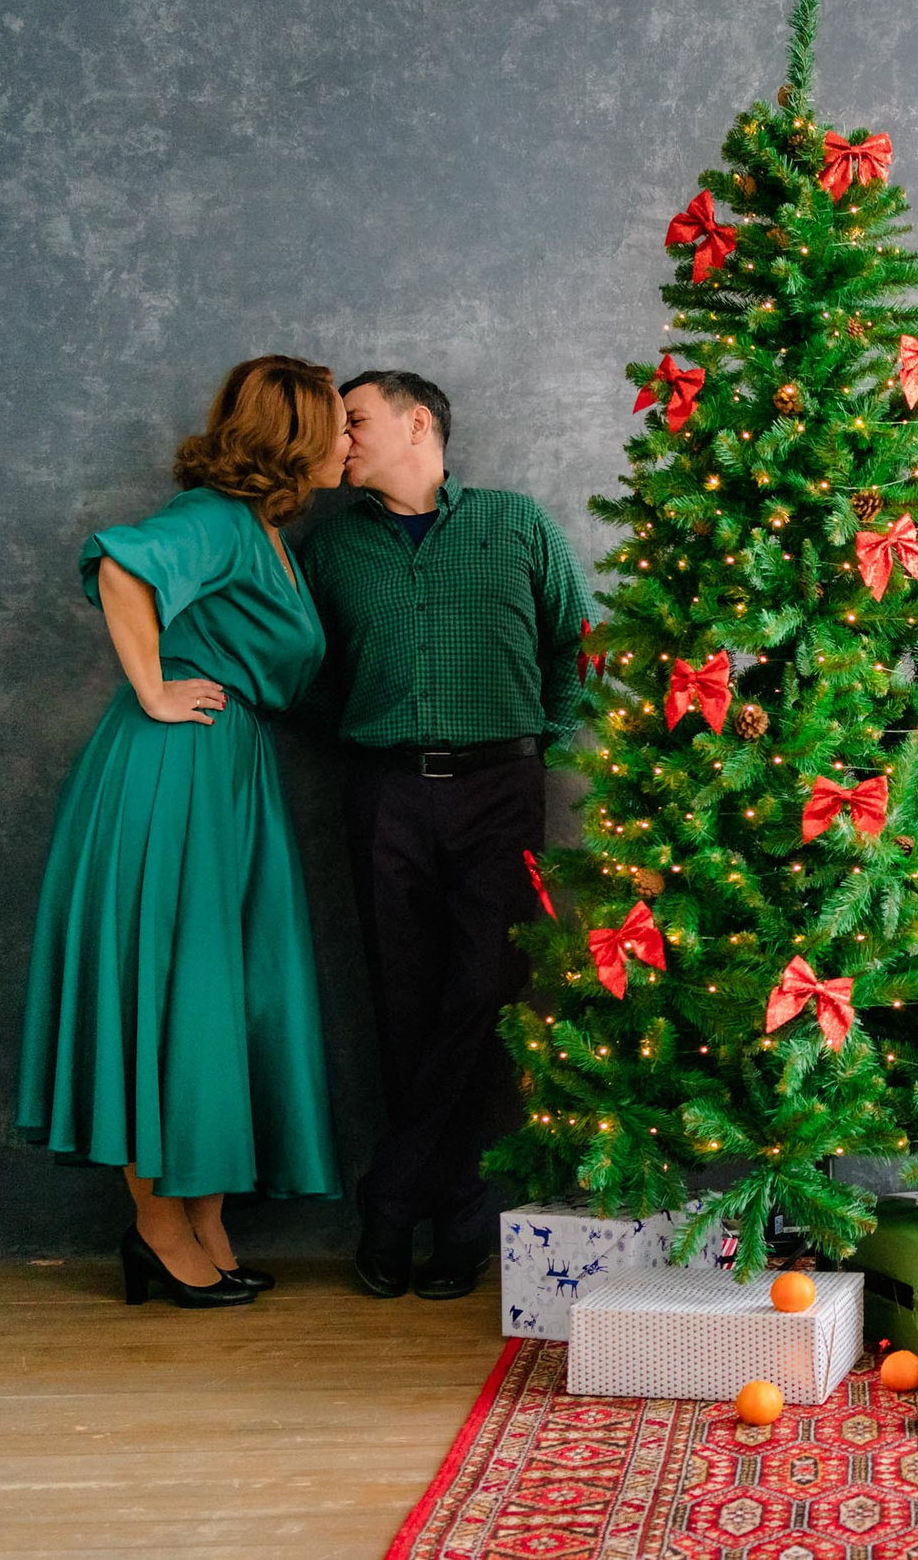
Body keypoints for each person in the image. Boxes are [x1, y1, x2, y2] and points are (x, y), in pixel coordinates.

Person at [15, 355, 349, 1308]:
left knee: (219, 994)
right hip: (174, 772)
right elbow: (120, 566)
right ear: (296, 435)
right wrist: (154, 686)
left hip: (224, 771)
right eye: (337, 423)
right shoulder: (213, 518)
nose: (348, 441)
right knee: (176, 993)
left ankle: (204, 1221)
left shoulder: (260, 529)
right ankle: (159, 1232)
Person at [297, 370, 590, 1301]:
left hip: (502, 789)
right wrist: (366, 733)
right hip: (382, 791)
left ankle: (399, 1206)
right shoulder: (331, 546)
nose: (341, 442)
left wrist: (534, 741)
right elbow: (307, 666)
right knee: (402, 1000)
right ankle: (456, 1224)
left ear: (417, 423)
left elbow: (571, 642)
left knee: (488, 995)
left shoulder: (515, 523)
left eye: (355, 422)